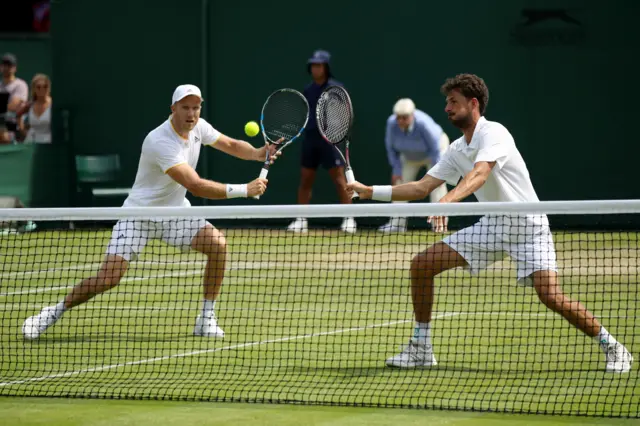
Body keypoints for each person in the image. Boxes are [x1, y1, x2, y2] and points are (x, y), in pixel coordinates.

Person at [347, 73, 633, 373]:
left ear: (473, 104)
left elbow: (480, 173)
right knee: (421, 265)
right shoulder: (456, 150)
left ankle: (613, 346)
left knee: (551, 296)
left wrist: (448, 200)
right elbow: (421, 187)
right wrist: (370, 192)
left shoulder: (494, 132)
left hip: (529, 228)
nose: (447, 108)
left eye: (453, 102)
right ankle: (421, 348)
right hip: (493, 226)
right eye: (446, 102)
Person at [22, 84, 277, 340]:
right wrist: (245, 189)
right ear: (173, 109)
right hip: (139, 217)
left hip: (176, 214)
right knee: (108, 278)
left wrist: (257, 154)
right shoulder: (159, 141)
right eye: (185, 107)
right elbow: (195, 186)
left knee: (218, 247)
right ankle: (52, 313)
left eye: (196, 107)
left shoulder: (199, 127)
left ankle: (206, 319)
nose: (191, 113)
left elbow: (231, 144)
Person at [287, 50, 356, 234]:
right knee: (305, 180)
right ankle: (301, 220)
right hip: (311, 140)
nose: (316, 69)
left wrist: (333, 132)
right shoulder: (308, 90)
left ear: (326, 68)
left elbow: (342, 115)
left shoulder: (336, 88)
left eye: (319, 65)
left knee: (340, 180)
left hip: (330, 140)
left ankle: (349, 218)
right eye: (313, 65)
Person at [379, 98, 450, 233]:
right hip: (410, 156)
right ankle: (397, 224)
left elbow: (435, 149)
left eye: (404, 118)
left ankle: (440, 225)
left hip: (434, 153)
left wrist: (439, 172)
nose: (400, 121)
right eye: (398, 117)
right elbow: (390, 148)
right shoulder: (391, 123)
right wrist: (396, 169)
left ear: (412, 115)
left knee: (437, 186)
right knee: (400, 185)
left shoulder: (424, 124)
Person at [0, 53, 28, 143]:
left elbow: (13, 106)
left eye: (9, 65)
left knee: (3, 136)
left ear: (14, 68)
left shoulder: (20, 85)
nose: (6, 68)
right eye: (4, 65)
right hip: (1, 123)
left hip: (15, 125)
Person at [18, 73, 52, 143]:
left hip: (49, 143)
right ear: (34, 89)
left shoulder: (53, 104)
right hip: (31, 142)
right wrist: (24, 131)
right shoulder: (30, 105)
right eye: (38, 87)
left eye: (45, 86)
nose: (42, 90)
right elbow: (18, 116)